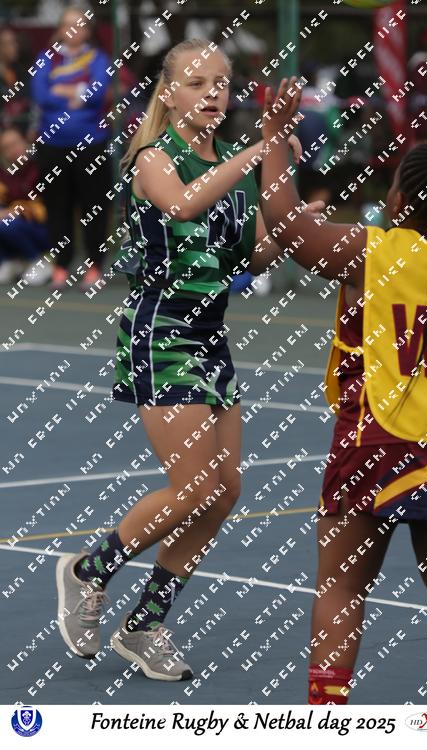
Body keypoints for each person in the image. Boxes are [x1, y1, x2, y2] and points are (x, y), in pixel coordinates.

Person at [55, 39, 302, 682]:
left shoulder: (234, 164)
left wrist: (293, 211)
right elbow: (182, 204)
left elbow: (251, 258)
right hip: (160, 334)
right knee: (192, 487)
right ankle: (88, 570)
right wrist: (258, 151)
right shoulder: (153, 159)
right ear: (169, 95)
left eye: (221, 82)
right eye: (197, 82)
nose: (213, 92)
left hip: (211, 338)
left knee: (224, 493)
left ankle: (145, 623)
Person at [259, 77, 427, 704]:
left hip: (375, 440)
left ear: (400, 196)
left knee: (341, 586)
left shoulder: (371, 250)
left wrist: (274, 137)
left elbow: (286, 224)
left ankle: (327, 719)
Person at [30, 6, 112, 291]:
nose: (73, 30)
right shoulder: (46, 59)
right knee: (57, 207)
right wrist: (77, 91)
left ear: (88, 30)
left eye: (80, 25)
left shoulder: (98, 58)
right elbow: (41, 94)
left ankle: (94, 267)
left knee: (93, 207)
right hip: (52, 144)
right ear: (60, 29)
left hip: (91, 144)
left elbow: (97, 93)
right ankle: (61, 266)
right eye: (68, 25)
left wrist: (61, 89)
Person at [0, 127, 49, 284]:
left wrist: (16, 210)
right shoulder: (3, 174)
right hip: (14, 225)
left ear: (25, 142)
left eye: (15, 143)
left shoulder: (42, 167)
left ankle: (38, 261)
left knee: (7, 223)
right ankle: (9, 260)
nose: (12, 150)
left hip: (43, 228)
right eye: (6, 147)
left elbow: (46, 210)